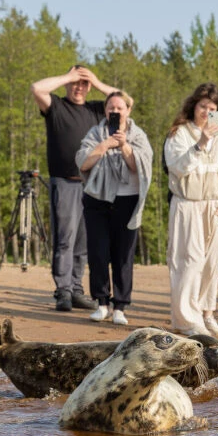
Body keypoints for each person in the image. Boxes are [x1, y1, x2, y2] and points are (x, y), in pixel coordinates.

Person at [31, 65, 124, 312]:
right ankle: (62, 290)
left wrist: (96, 79)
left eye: (83, 83)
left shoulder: (97, 109)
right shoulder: (56, 106)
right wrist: (70, 76)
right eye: (75, 83)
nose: (78, 87)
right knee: (65, 239)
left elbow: (126, 102)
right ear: (67, 84)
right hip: (64, 181)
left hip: (92, 185)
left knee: (84, 242)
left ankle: (76, 289)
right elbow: (36, 88)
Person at [74, 91, 152, 325]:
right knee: (98, 253)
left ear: (128, 110)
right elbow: (83, 162)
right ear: (105, 110)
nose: (115, 112)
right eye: (111, 108)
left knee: (123, 255)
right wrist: (105, 144)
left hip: (127, 199)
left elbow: (141, 166)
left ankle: (120, 306)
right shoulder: (95, 133)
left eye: (120, 108)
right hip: (97, 200)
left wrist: (124, 145)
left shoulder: (138, 135)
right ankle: (101, 303)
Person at [164, 82, 218, 337]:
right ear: (194, 105)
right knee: (188, 261)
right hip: (188, 204)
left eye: (212, 108)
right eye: (203, 106)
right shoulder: (179, 133)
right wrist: (200, 145)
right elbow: (177, 167)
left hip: (214, 206)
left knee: (211, 264)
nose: (206, 111)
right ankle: (186, 319)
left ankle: (206, 313)